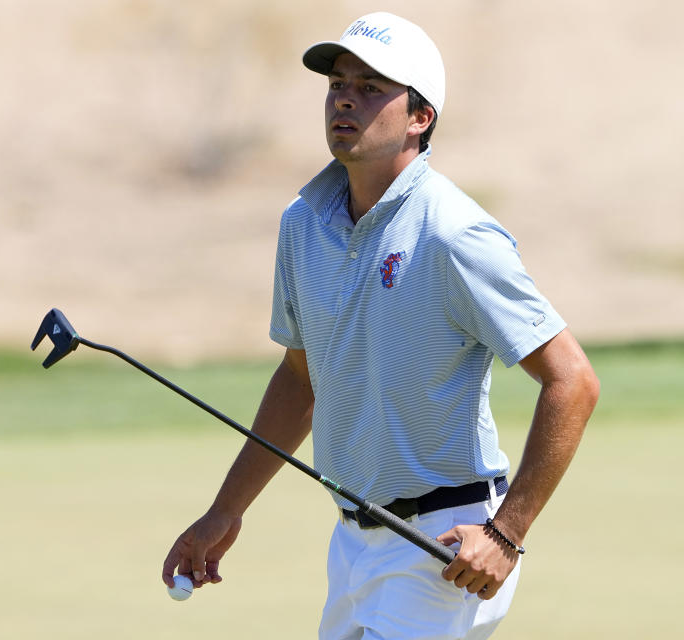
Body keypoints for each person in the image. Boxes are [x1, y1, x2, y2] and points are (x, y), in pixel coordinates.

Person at [162, 11, 600, 639]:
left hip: (445, 545)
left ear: (420, 117)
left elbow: (573, 381)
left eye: (371, 88)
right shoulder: (303, 221)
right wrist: (225, 510)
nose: (345, 97)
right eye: (338, 82)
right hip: (354, 543)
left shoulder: (455, 234)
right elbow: (300, 381)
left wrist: (507, 533)